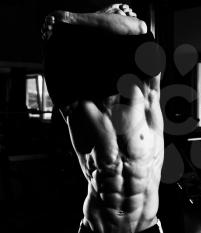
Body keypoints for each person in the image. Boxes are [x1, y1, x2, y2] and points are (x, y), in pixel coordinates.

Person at [42, 3, 164, 233]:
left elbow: (138, 27)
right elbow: (57, 40)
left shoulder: (146, 97)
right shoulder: (79, 108)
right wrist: (98, 18)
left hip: (144, 228)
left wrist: (71, 16)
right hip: (96, 227)